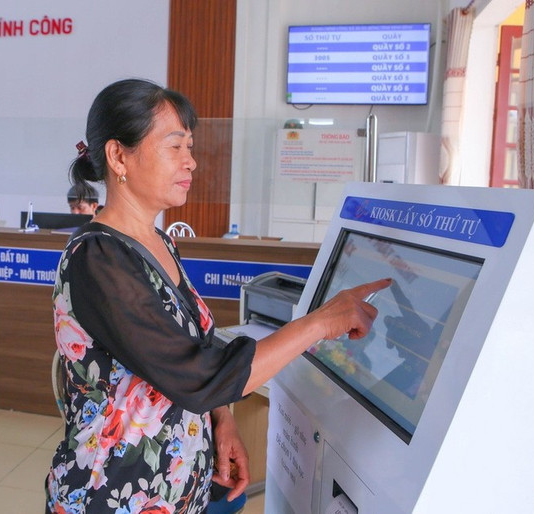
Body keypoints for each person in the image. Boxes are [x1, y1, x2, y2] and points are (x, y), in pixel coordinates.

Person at [46, 78, 391, 513]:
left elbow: (191, 348)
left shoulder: (158, 242)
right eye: (175, 147)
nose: (191, 162)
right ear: (119, 156)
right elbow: (197, 375)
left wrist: (222, 419)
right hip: (113, 496)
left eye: (190, 147)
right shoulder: (97, 259)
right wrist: (321, 321)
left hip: (176, 491)